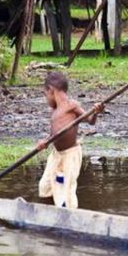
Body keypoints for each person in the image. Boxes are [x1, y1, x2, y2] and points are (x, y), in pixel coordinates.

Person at [36, 71, 103, 208]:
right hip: (56, 155)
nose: (46, 99)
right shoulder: (55, 111)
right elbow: (55, 134)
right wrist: (45, 142)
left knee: (65, 189)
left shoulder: (71, 105)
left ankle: (70, 215)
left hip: (70, 155)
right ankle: (49, 213)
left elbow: (90, 120)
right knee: (45, 186)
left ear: (51, 90)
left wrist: (96, 112)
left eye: (45, 95)